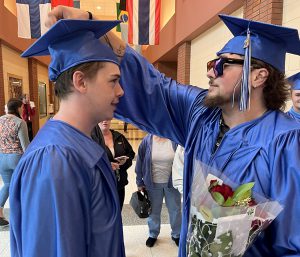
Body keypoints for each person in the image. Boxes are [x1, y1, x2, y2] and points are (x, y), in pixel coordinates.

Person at [46, 8, 300, 256]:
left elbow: (293, 242)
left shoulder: (286, 143)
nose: (211, 71)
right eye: (213, 62)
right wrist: (95, 28)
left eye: (222, 64)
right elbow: (154, 88)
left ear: (258, 77)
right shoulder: (200, 115)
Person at [9, 20, 126, 257]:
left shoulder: (76, 144)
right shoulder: (55, 159)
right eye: (113, 81)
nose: (121, 91)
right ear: (80, 81)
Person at [135, 134, 181, 247]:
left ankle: (177, 234)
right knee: (153, 211)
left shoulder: (175, 139)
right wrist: (139, 181)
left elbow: (182, 159)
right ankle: (153, 234)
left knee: (175, 210)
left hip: (172, 183)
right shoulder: (147, 140)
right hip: (152, 183)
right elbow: (139, 161)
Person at [0, 98, 29, 227]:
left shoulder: (0, 120)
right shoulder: (20, 122)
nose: (23, 110)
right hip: (16, 158)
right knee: (20, 186)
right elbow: (25, 146)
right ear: (17, 108)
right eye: (22, 108)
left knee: (7, 185)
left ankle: (0, 213)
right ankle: (21, 215)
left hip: (2, 157)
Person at [98, 119, 135, 210]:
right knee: (104, 214)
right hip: (101, 184)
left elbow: (131, 154)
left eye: (107, 118)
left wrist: (124, 161)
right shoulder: (91, 139)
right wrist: (106, 166)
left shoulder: (119, 137)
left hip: (119, 182)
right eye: (101, 119)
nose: (104, 121)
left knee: (118, 211)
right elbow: (86, 161)